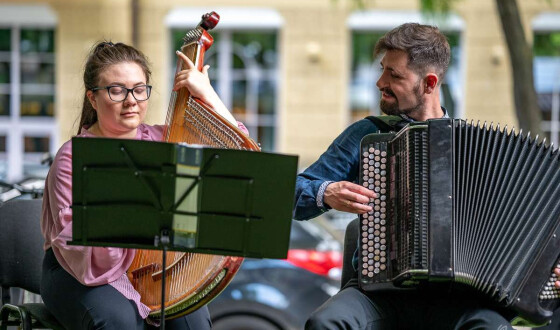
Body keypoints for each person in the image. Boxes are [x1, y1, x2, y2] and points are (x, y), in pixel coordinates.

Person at [293, 23, 518, 329]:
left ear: (429, 83)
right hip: (380, 293)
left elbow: (530, 219)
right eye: (382, 69)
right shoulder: (367, 133)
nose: (380, 82)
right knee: (326, 322)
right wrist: (326, 192)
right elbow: (296, 191)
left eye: (394, 75)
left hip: (458, 298)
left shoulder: (477, 147)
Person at [40, 41, 247, 329]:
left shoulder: (165, 141)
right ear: (92, 98)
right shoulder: (71, 158)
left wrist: (208, 95)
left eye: (139, 89)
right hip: (77, 267)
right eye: (116, 90)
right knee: (120, 319)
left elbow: (237, 158)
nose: (131, 100)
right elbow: (80, 248)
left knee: (192, 322)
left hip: (151, 265)